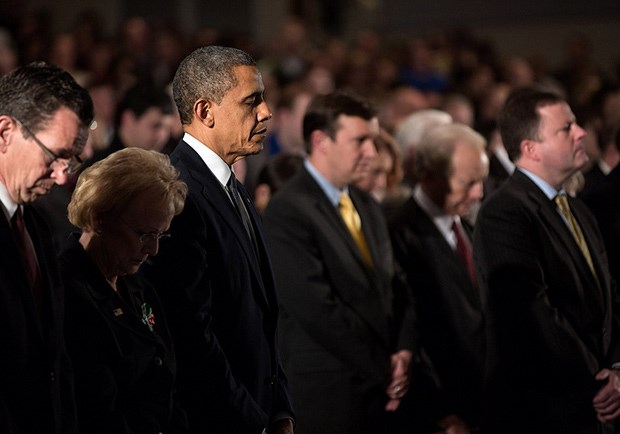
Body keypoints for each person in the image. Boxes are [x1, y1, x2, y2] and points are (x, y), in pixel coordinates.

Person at [141, 46, 294, 434]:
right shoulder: (178, 195)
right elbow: (193, 334)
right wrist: (252, 420)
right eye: (251, 101)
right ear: (205, 111)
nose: (266, 112)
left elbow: (261, 316)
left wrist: (280, 410)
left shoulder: (233, 187)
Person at [263, 91, 415, 434]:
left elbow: (397, 285)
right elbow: (317, 309)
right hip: (330, 397)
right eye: (360, 140)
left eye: (373, 141)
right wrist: (385, 366)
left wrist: (405, 349)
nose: (372, 153)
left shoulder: (366, 204)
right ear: (321, 141)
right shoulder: (287, 211)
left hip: (382, 392)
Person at [473, 87, 620, 433]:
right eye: (566, 128)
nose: (581, 132)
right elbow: (532, 312)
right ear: (530, 149)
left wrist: (616, 367)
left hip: (596, 403)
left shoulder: (578, 208)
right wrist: (596, 381)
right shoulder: (504, 213)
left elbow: (610, 296)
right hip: (544, 408)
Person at [60, 148, 188, 434]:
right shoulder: (66, 290)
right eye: (143, 234)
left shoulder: (139, 286)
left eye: (159, 235)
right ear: (98, 218)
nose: (153, 249)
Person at [0, 61, 93, 434]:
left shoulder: (37, 225)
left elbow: (56, 359)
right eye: (54, 155)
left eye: (71, 160)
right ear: (5, 131)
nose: (60, 175)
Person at [389, 123, 489, 433]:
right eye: (468, 182)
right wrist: (439, 411)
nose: (479, 193)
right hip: (442, 414)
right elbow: (410, 331)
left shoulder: (471, 229)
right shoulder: (399, 234)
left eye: (481, 181)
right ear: (429, 174)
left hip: (485, 403)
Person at [88, 80, 174, 164]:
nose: (162, 135)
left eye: (167, 128)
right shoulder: (100, 169)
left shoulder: (167, 165)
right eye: (155, 126)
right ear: (128, 119)